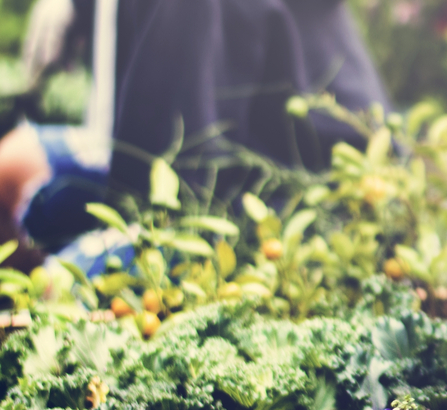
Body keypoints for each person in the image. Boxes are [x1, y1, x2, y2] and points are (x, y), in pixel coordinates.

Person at [0, 0, 389, 262]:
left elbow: (180, 176)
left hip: (284, 200)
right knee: (12, 162)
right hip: (144, 157)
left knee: (53, 297)